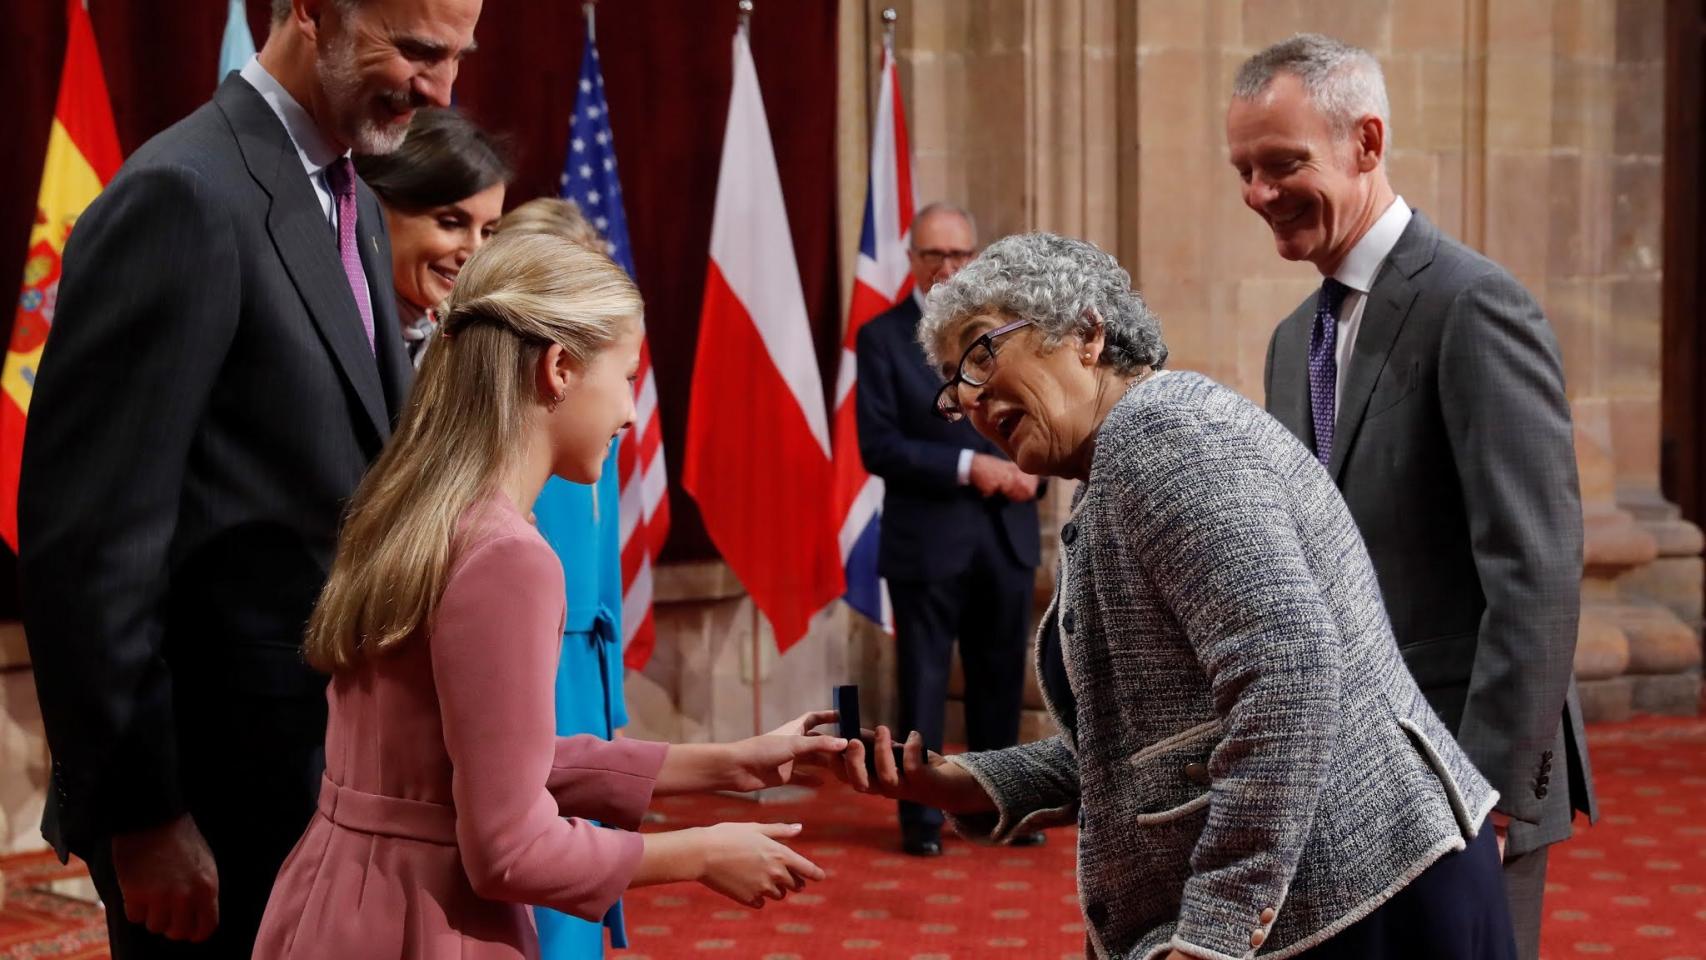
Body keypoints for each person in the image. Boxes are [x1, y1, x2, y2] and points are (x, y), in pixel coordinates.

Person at [842, 232, 1518, 959]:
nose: (970, 398)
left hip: (1361, 902)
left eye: (982, 354)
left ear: (1086, 334)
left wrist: (1216, 928)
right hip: (1334, 899)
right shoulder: (1120, 465)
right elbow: (1144, 752)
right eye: (953, 386)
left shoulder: (1164, 435)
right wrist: (964, 783)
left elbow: (1287, 672)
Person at [17, 0, 480, 955]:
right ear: (311, 11)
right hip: (213, 805)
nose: (441, 91)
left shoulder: (349, 197)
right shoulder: (183, 197)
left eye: (459, 55)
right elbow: (93, 550)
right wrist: (146, 818)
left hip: (322, 781)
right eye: (420, 51)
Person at [253, 231, 846, 959]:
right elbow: (509, 848)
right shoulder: (508, 557)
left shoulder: (406, 506)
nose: (631, 414)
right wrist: (698, 852)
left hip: (334, 900)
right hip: (427, 923)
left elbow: (485, 756)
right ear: (559, 368)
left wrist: (728, 764)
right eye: (626, 376)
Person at [1226, 35, 1594, 958]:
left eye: (1283, 164)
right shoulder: (1288, 341)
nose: (1259, 195)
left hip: (1464, 780)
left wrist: (1490, 791)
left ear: (1367, 141)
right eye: (1243, 170)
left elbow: (1536, 567)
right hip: (1344, 783)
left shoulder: (1473, 305)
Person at [853, 202, 1041, 857]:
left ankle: (996, 810)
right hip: (928, 543)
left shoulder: (1004, 335)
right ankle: (922, 819)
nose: (949, 267)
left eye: (961, 255)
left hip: (1007, 536)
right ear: (912, 260)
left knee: (998, 685)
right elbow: (878, 447)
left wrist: (1036, 465)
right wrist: (970, 468)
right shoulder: (881, 338)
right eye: (935, 255)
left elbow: (1036, 412)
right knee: (925, 690)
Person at [495, 196, 634, 957]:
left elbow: (602, 565)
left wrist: (611, 702)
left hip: (586, 671)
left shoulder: (594, 428)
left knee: (580, 893)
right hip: (530, 666)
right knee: (541, 885)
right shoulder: (511, 427)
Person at [354, 106, 511, 367]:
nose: (474, 252)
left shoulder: (464, 350)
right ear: (374, 205)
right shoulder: (335, 330)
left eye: (487, 231)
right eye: (451, 223)